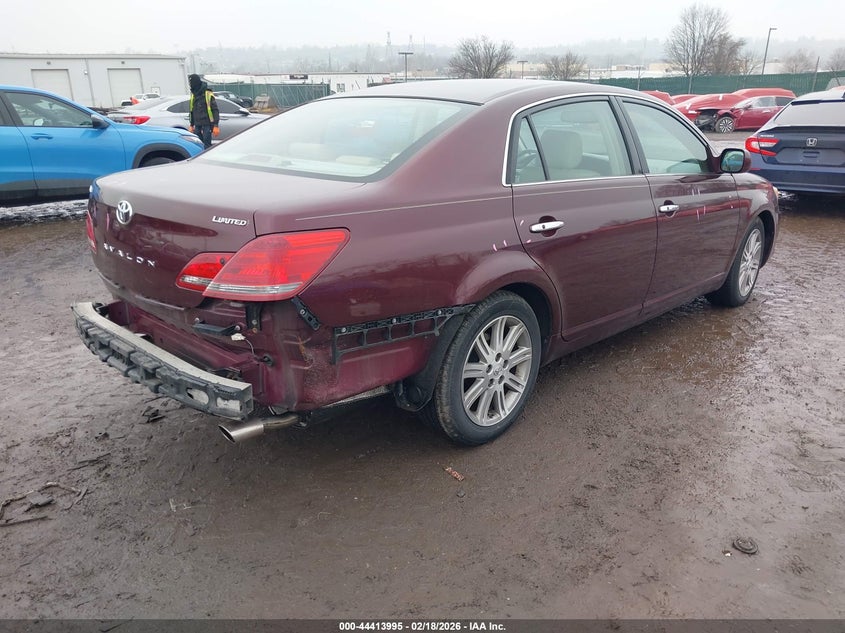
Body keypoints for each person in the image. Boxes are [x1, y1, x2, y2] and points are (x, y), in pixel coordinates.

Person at [188, 74, 219, 148]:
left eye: (191, 82)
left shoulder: (207, 94)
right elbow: (192, 111)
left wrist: (216, 125)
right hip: (197, 125)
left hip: (207, 124)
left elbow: (215, 110)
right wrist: (191, 125)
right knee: (198, 145)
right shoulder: (193, 95)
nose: (190, 84)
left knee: (207, 145)